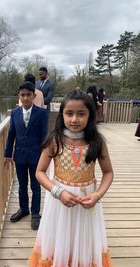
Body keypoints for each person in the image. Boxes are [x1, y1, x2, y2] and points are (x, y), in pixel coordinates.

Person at [29, 89, 114, 266]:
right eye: (69, 113)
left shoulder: (97, 142)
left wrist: (97, 195)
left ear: (90, 115)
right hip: (59, 202)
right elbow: (39, 172)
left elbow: (108, 173)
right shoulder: (55, 140)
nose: (74, 119)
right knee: (59, 239)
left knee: (83, 241)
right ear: (62, 115)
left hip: (87, 203)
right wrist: (58, 192)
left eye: (81, 114)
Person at [4, 81, 48, 230]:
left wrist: (45, 157)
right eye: (22, 95)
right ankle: (24, 209)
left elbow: (44, 137)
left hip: (36, 157)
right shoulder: (15, 113)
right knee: (22, 185)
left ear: (34, 96)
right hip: (20, 156)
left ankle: (35, 213)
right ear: (19, 96)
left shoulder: (41, 113)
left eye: (28, 95)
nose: (25, 98)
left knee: (36, 186)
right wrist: (7, 154)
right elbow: (11, 135)